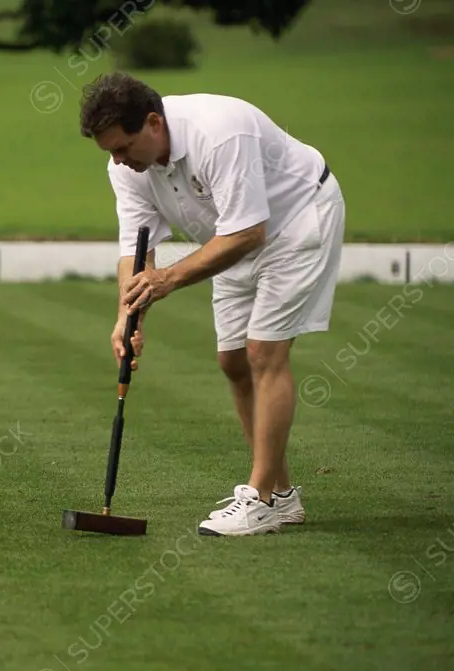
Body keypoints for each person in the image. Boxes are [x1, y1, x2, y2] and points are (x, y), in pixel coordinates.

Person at [79, 71, 346, 537]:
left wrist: (168, 280)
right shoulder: (127, 168)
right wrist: (127, 316)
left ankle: (259, 496)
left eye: (123, 148)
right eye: (110, 153)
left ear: (153, 123)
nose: (118, 161)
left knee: (265, 352)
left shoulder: (220, 133)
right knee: (233, 362)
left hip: (297, 221)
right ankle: (282, 497)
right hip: (230, 237)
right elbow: (136, 253)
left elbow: (250, 232)